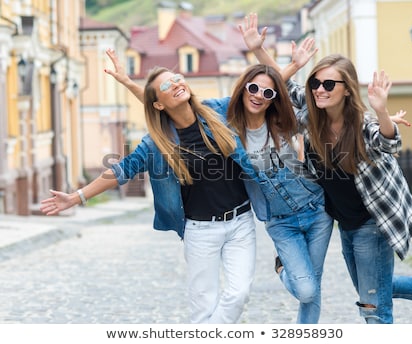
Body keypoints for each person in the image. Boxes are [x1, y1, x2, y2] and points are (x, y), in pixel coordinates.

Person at [240, 13, 412, 323]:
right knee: (373, 287)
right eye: (315, 83)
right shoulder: (313, 117)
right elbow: (282, 85)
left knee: (372, 306)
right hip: (345, 223)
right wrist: (259, 49)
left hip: (372, 221)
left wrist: (384, 113)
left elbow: (389, 142)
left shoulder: (362, 124)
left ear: (347, 89)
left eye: (328, 84)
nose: (319, 89)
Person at [41, 61, 268, 324]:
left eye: (177, 78)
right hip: (200, 231)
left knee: (238, 294)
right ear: (159, 104)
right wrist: (77, 196)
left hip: (240, 223)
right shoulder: (156, 144)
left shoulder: (217, 111)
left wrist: (285, 67)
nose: (176, 84)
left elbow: (262, 95)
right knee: (203, 307)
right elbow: (121, 170)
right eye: (167, 85)